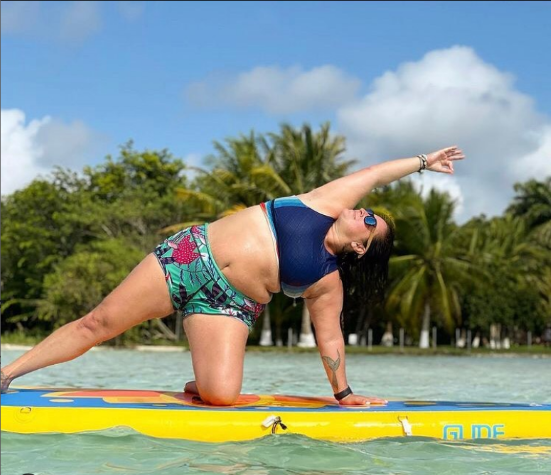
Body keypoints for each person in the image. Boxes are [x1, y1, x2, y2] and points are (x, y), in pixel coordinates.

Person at [1, 146, 465, 405]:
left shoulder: (327, 282)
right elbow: (377, 173)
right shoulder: (323, 202)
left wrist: (343, 394)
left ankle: (203, 379)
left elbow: (331, 342)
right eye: (368, 210)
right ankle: (8, 373)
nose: (362, 211)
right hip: (189, 258)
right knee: (97, 325)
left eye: (369, 222)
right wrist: (425, 162)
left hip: (227, 306)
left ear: (361, 247)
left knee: (221, 396)